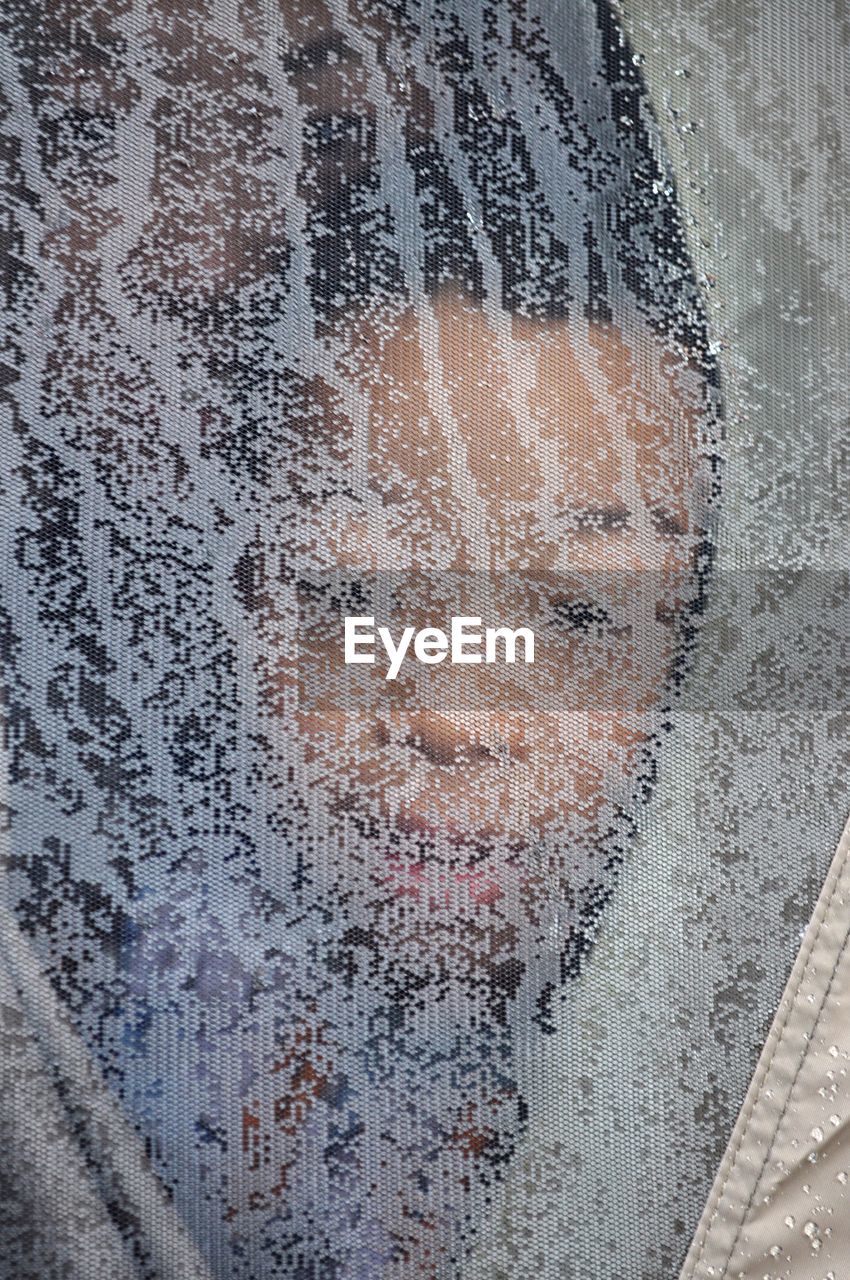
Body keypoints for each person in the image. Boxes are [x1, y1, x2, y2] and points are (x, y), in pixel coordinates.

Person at [0, 0, 719, 1275]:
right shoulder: (129, 1012)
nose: (449, 712)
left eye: (577, 612)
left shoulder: (748, 1021)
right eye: (354, 597)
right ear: (232, 587)